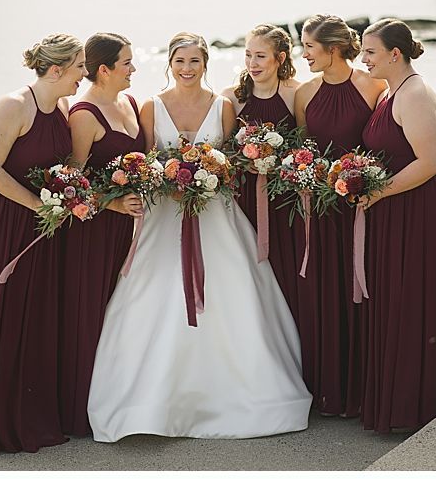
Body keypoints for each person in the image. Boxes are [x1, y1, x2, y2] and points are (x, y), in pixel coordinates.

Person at [88, 32, 311, 443]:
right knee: (151, 294)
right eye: (179, 62)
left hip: (216, 215)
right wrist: (166, 181)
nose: (187, 69)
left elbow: (229, 162)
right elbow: (150, 157)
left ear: (205, 64)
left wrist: (210, 176)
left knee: (235, 293)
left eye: (194, 61)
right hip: (165, 216)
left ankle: (245, 394)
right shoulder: (151, 106)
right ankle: (148, 401)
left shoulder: (223, 106)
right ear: (169, 64)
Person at [0, 33, 86, 457]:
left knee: (36, 316)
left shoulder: (63, 107)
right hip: (2, 223)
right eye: (80, 67)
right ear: (55, 69)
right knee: (2, 315)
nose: (83, 75)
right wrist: (39, 206)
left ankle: (31, 414)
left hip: (42, 225)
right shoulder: (13, 106)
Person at [293, 14, 385, 417]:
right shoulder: (304, 93)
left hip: (358, 208)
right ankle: (328, 389)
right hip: (319, 211)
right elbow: (301, 150)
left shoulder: (373, 86)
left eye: (309, 46)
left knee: (361, 292)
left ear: (332, 48)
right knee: (323, 291)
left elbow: (383, 142)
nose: (303, 54)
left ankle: (363, 389)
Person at [60, 32, 144, 437]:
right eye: (127, 62)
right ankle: (83, 408)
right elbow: (71, 183)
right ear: (104, 69)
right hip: (93, 232)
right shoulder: (83, 115)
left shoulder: (128, 101)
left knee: (126, 314)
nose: (134, 68)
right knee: (93, 312)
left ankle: (121, 396)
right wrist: (111, 204)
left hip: (132, 230)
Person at [358, 19, 436, 433]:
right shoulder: (390, 93)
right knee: (392, 300)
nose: (363, 59)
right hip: (391, 208)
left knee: (409, 301)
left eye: (370, 52)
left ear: (394, 54)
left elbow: (429, 162)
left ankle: (414, 406)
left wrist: (378, 192)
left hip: (413, 211)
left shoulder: (416, 94)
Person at [222, 24, 300, 316]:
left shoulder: (295, 93)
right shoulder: (232, 97)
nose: (252, 64)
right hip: (244, 200)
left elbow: (305, 144)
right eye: (248, 56)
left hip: (285, 200)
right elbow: (224, 151)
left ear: (280, 59)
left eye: (260, 56)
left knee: (285, 268)